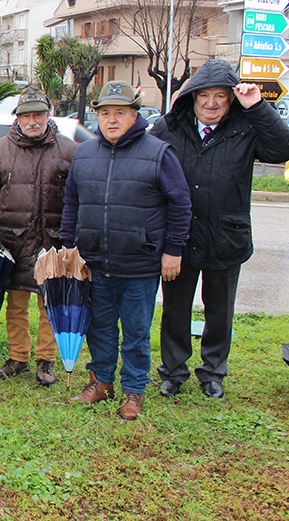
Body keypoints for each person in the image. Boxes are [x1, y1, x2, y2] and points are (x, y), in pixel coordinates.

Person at [150, 60, 289, 399]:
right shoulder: (169, 128)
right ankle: (173, 372)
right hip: (180, 239)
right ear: (192, 97)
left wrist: (257, 106)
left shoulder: (245, 129)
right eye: (204, 95)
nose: (212, 103)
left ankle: (213, 372)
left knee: (219, 310)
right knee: (175, 309)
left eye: (220, 96)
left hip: (226, 237)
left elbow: (286, 148)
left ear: (231, 100)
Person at [60, 82, 191, 420]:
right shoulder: (85, 153)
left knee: (135, 332)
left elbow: (180, 204)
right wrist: (68, 244)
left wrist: (173, 250)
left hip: (140, 264)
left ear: (135, 115)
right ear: (97, 116)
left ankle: (133, 391)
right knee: (99, 327)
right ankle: (101, 382)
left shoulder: (159, 153)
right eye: (105, 113)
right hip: (95, 262)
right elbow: (72, 200)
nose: (112, 119)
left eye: (120, 112)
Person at [0, 87, 75, 386]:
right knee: (15, 303)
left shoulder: (69, 150)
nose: (32, 121)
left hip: (53, 242)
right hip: (12, 241)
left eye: (38, 115)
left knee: (51, 306)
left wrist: (74, 241)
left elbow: (79, 199)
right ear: (17, 118)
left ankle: (46, 360)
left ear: (48, 115)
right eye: (26, 115)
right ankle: (18, 356)